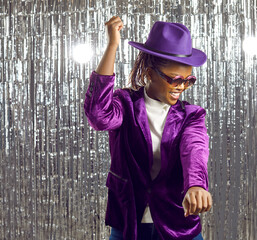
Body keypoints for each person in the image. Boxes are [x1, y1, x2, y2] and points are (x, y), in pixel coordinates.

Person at [84, 16, 212, 240]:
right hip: (128, 222)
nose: (181, 86)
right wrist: (112, 46)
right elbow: (98, 116)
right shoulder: (124, 105)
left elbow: (195, 149)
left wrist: (196, 185)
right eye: (175, 79)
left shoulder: (191, 115)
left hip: (177, 222)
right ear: (149, 73)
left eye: (188, 80)